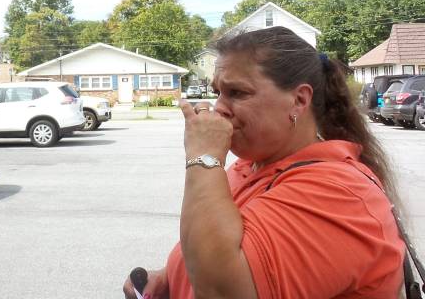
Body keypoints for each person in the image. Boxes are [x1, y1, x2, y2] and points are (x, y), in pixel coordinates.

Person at [124, 26, 405, 298]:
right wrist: (173, 276)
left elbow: (221, 291)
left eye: (237, 93)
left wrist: (203, 157)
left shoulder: (341, 194)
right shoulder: (249, 168)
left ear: (298, 100)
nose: (219, 107)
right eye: (219, 92)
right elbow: (214, 246)